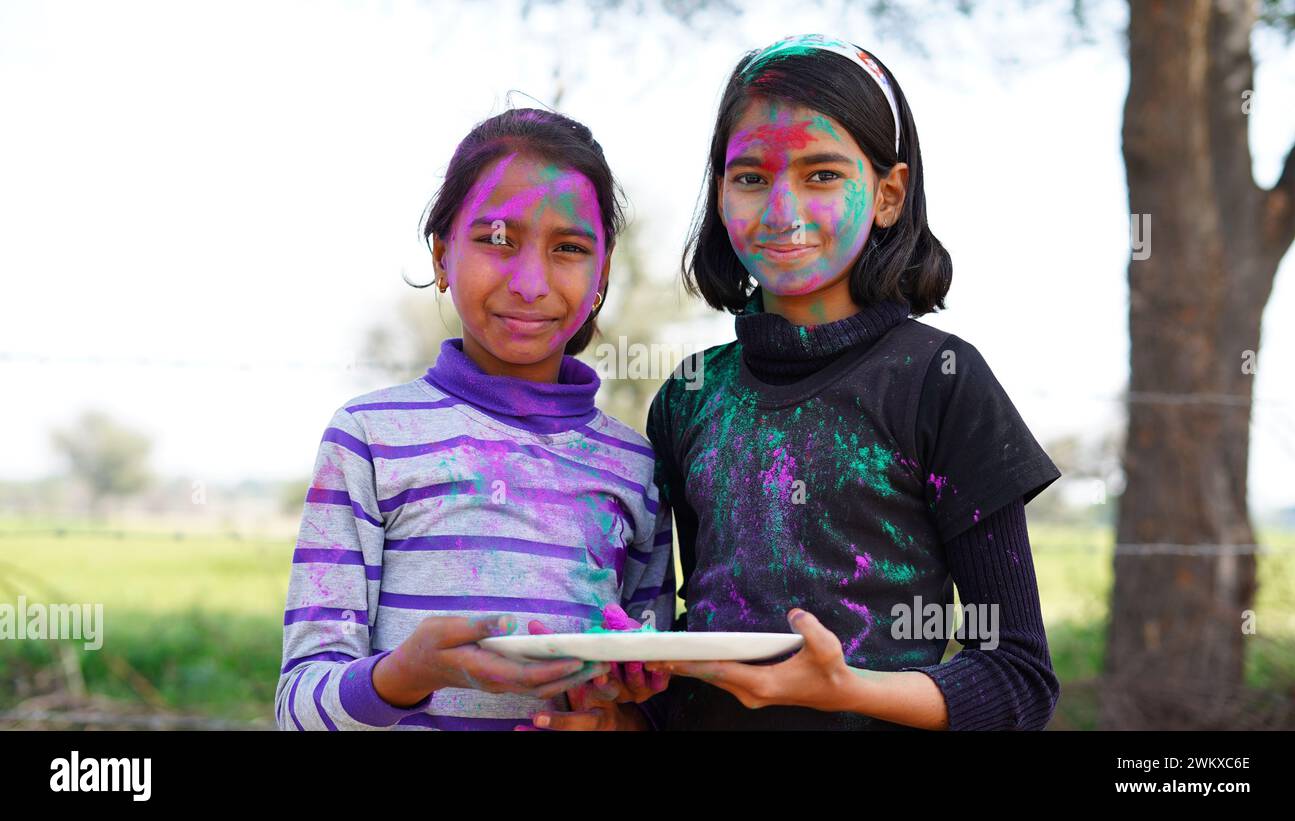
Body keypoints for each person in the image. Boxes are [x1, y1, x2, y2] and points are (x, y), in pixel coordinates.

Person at [640, 34, 1062, 730]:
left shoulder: (941, 382)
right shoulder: (689, 398)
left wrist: (845, 689)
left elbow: (1018, 678)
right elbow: (686, 641)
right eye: (749, 177)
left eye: (822, 175)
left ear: (889, 194)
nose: (781, 210)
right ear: (719, 192)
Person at [275, 107, 674, 731]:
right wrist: (411, 671)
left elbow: (653, 700)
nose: (530, 282)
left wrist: (612, 722)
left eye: (568, 249)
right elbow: (299, 708)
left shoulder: (634, 465)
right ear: (441, 255)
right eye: (496, 240)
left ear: (601, 275)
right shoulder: (371, 440)